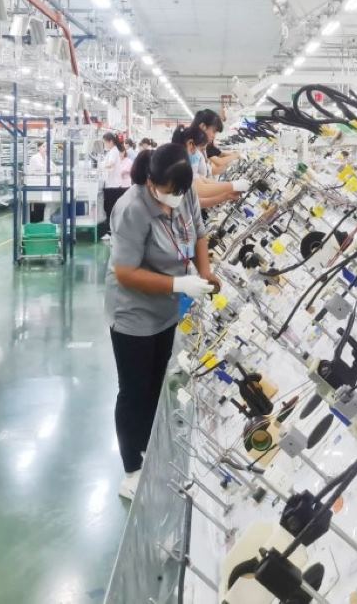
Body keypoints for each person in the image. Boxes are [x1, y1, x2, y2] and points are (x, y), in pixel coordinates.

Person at [106, 143, 219, 499]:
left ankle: (151, 450)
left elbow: (199, 233)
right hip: (134, 312)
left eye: (180, 193)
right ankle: (131, 468)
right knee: (133, 391)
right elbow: (124, 272)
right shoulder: (131, 210)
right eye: (170, 193)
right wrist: (177, 283)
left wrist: (204, 273)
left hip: (166, 310)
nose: (176, 200)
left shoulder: (182, 194)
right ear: (152, 182)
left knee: (157, 384)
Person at [170, 124, 248, 208]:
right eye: (201, 149)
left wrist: (226, 195)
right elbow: (200, 189)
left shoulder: (186, 163)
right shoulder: (178, 165)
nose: (200, 153)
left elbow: (195, 202)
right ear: (191, 144)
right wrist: (233, 185)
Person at [100, 132, 129, 240]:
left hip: (113, 186)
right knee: (111, 209)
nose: (105, 145)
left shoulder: (113, 151)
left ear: (110, 141)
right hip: (113, 185)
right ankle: (112, 232)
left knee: (110, 209)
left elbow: (111, 164)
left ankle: (111, 232)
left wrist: (101, 166)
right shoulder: (113, 151)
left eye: (105, 142)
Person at [193, 109, 239, 175]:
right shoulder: (191, 151)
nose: (214, 137)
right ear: (203, 127)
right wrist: (235, 156)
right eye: (214, 132)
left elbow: (208, 173)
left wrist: (232, 157)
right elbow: (198, 183)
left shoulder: (202, 148)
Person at [27, 141, 54, 223]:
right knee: (37, 205)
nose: (46, 148)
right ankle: (35, 223)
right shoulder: (35, 158)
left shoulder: (47, 158)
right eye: (43, 146)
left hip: (44, 184)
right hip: (35, 185)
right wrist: (48, 170)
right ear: (38, 148)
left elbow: (54, 168)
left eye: (46, 146)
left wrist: (49, 170)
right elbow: (44, 169)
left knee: (44, 204)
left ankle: (43, 221)